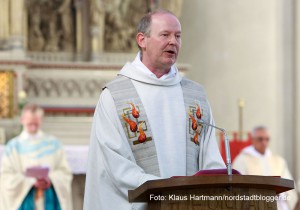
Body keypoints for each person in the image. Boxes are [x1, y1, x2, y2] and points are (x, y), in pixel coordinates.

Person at [83, 10, 225, 210]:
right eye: (165, 35)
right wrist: (164, 191)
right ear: (142, 40)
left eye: (178, 36)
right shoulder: (115, 96)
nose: (173, 42)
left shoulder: (195, 96)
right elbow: (113, 163)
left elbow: (210, 157)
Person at [0, 104, 73, 210]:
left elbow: (65, 172)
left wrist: (50, 179)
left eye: (36, 123)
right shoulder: (13, 146)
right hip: (24, 200)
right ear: (22, 120)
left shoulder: (54, 144)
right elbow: (6, 176)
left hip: (49, 197)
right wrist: (30, 182)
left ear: (41, 120)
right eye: (30, 123)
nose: (33, 126)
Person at [233, 126, 298, 210]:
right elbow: (236, 188)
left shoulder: (279, 161)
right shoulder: (242, 160)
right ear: (252, 140)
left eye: (267, 139)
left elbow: (290, 187)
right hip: (254, 205)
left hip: (278, 204)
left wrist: (281, 193)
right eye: (260, 139)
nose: (264, 142)